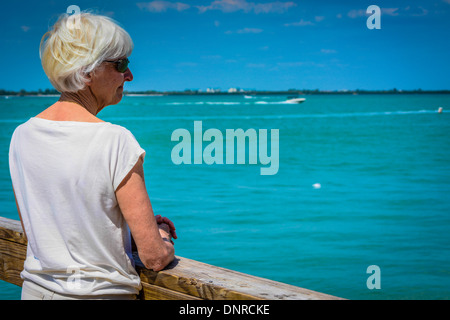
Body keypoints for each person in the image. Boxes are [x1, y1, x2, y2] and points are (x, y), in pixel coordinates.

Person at [8, 12, 176, 300]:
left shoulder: (22, 135)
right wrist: (160, 234)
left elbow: (45, 233)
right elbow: (154, 259)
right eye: (121, 64)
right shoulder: (115, 139)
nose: (129, 75)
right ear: (87, 72)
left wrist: (123, 232)